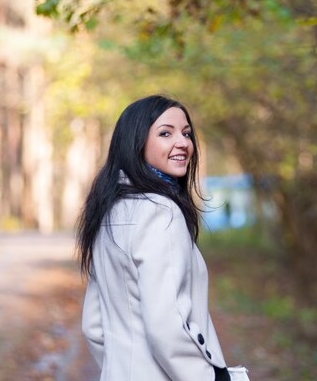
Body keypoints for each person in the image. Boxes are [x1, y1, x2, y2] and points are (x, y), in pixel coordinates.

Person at [77, 95, 231, 381]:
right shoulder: (162, 213)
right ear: (136, 143)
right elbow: (166, 325)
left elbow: (94, 327)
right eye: (165, 133)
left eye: (186, 133)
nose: (183, 143)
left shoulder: (108, 212)